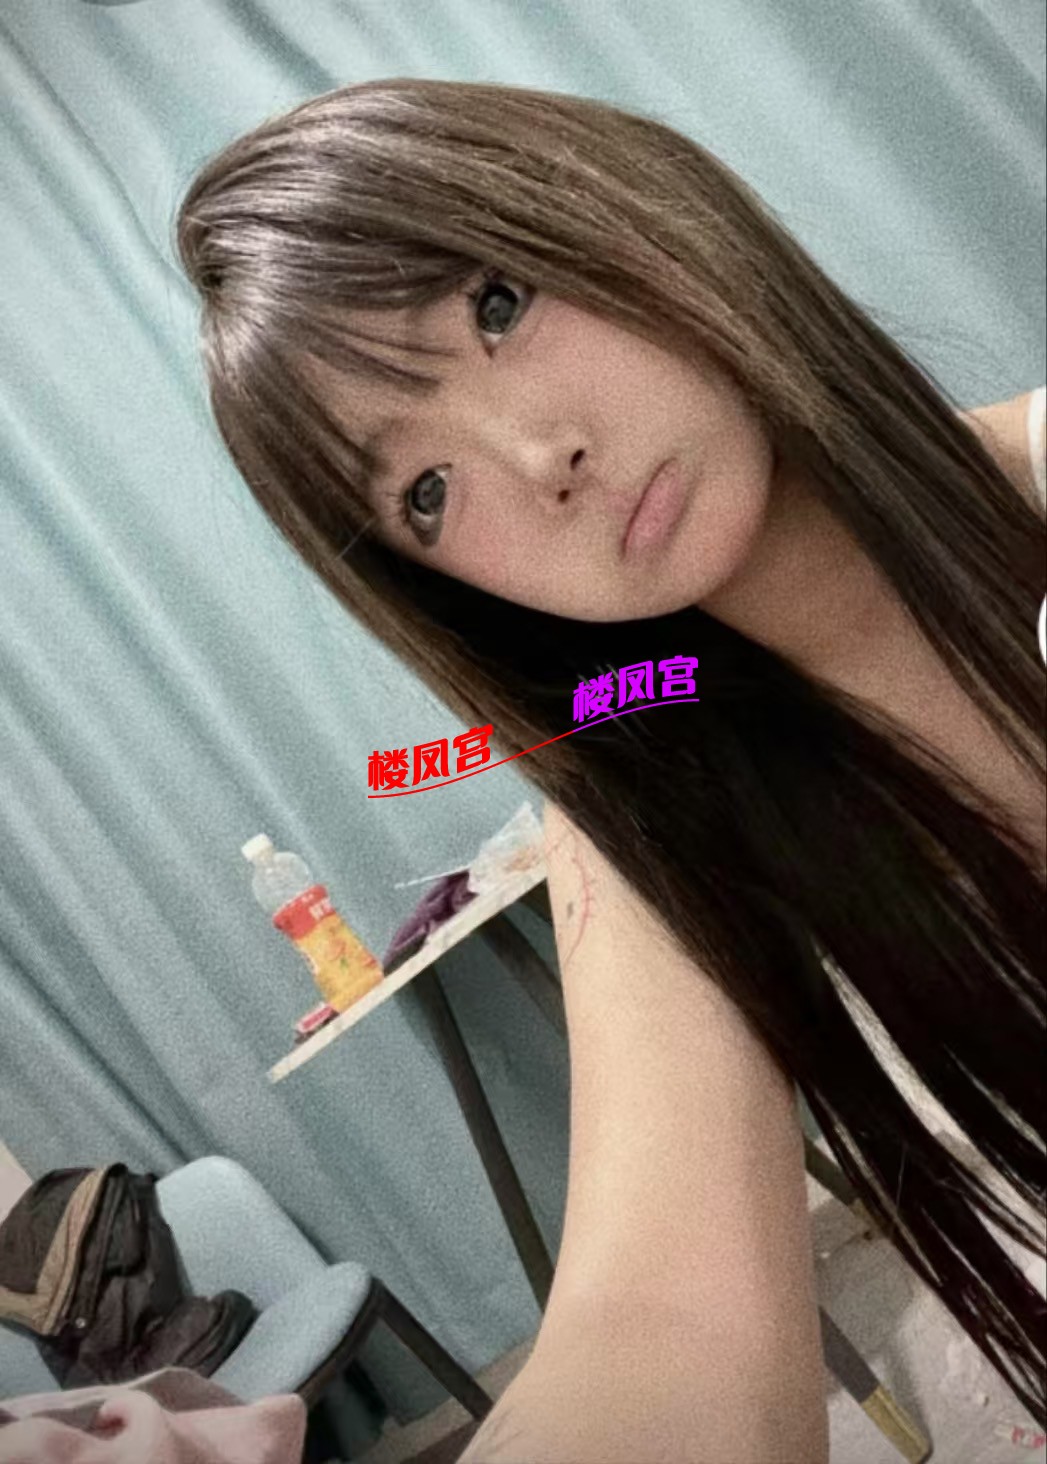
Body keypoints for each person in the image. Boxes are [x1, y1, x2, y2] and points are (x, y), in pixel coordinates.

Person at [173, 78, 1045, 1458]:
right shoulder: (648, 804)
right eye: (426, 494)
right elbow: (657, 1323)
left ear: (608, 200)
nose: (543, 458)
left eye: (498, 304)